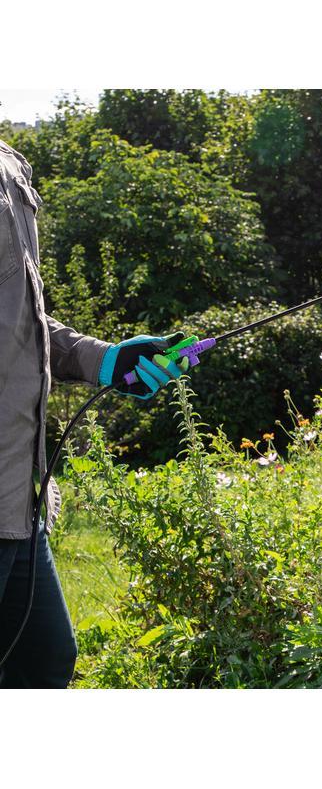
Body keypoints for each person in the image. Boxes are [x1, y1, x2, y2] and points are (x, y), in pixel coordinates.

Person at [0, 138, 186, 688]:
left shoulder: (8, 162)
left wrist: (105, 361)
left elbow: (21, 321)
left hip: (18, 497)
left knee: (44, 662)